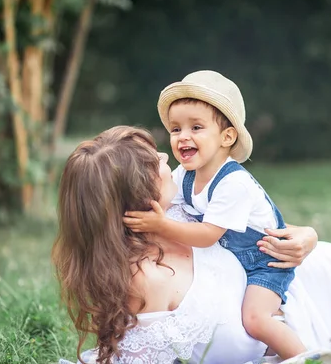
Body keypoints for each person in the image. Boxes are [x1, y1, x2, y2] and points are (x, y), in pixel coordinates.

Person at [53, 125, 331, 364]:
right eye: (157, 164)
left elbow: (255, 224)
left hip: (309, 274)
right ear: (137, 196)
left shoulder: (181, 209)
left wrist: (307, 236)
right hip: (307, 329)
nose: (169, 160)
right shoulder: (137, 281)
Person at [124, 70, 305, 358]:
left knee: (256, 320)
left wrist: (160, 226)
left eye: (196, 128)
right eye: (175, 129)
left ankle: (308, 358)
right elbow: (169, 202)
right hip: (238, 259)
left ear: (227, 137)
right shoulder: (184, 174)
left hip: (265, 262)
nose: (183, 137)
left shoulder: (234, 183)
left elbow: (207, 236)